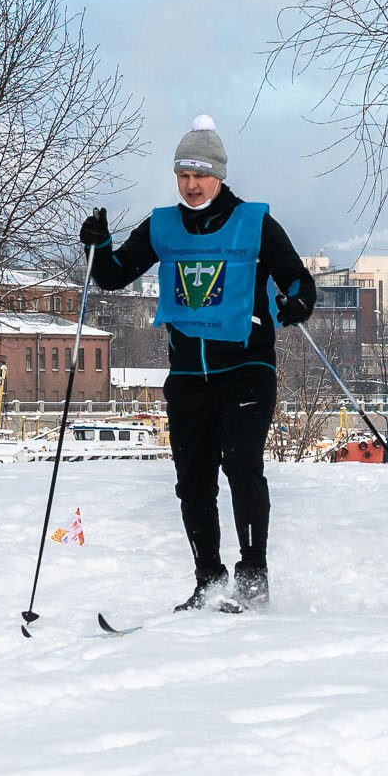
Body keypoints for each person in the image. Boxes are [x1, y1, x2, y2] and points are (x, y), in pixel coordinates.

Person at [81, 116, 315, 612]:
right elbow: (113, 276)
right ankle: (208, 579)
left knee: (242, 465)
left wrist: (298, 302)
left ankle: (253, 579)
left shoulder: (253, 222)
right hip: (188, 374)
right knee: (193, 480)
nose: (191, 185)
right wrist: (98, 245)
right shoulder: (162, 225)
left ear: (220, 176)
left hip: (246, 368)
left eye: (200, 175)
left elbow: (298, 279)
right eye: (183, 175)